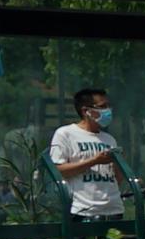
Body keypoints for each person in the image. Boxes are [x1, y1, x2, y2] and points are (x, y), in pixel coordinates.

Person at [48, 87, 125, 222]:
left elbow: (117, 179)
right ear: (86, 111)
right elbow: (58, 171)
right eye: (102, 107)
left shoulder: (109, 139)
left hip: (114, 209)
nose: (108, 111)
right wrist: (94, 161)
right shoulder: (66, 134)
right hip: (83, 210)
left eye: (108, 106)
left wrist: (117, 163)